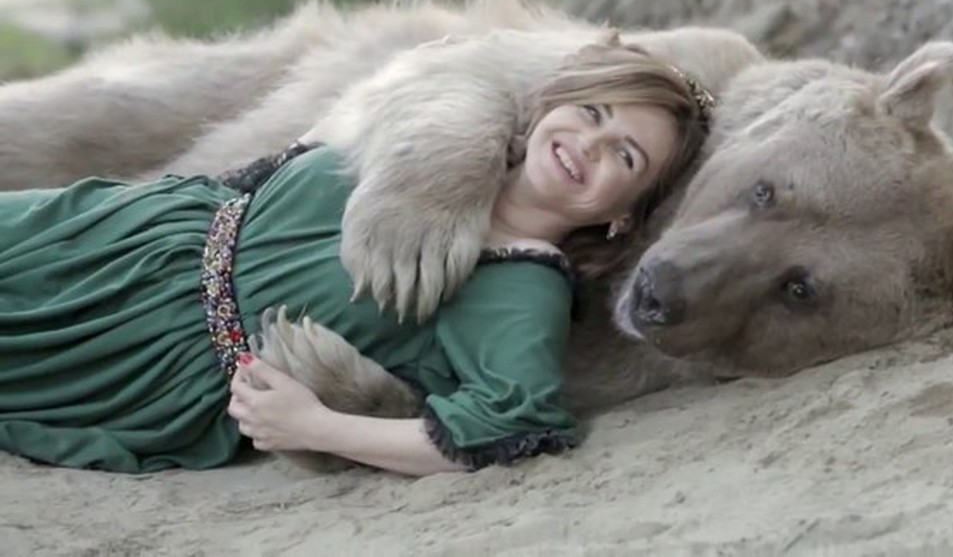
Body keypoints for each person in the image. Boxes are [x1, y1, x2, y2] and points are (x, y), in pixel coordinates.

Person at [0, 39, 714, 475]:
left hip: (135, 349)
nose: (589, 143)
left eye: (625, 153)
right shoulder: (453, 144)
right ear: (555, 104)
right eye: (593, 112)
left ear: (624, 213)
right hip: (128, 227)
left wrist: (316, 427)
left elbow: (512, 428)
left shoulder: (522, 282)